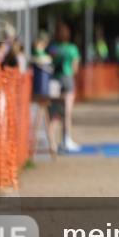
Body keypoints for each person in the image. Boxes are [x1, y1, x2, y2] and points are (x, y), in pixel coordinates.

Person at [48, 22, 81, 153]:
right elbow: (75, 68)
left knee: (54, 113)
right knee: (67, 112)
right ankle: (66, 140)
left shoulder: (53, 48)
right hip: (67, 80)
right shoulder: (72, 49)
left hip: (54, 81)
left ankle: (51, 142)